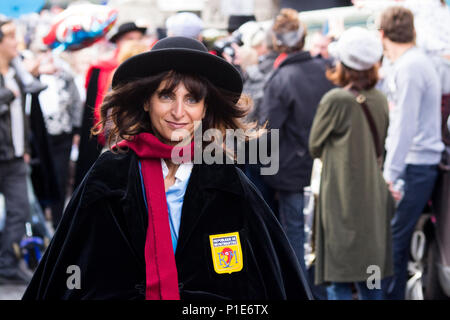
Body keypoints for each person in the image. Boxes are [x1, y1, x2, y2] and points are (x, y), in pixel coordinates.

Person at [22, 36, 311, 300]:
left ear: (205, 108)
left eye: (192, 99)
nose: (178, 112)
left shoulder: (225, 178)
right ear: (146, 101)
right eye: (166, 96)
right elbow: (67, 269)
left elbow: (273, 274)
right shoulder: (111, 174)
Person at [309, 27, 395, 300]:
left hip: (341, 199)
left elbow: (314, 145)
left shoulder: (335, 100)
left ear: (343, 64)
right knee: (371, 278)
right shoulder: (379, 99)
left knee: (339, 278)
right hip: (372, 198)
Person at [258, 8, 334, 299]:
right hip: (323, 167)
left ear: (278, 42)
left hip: (291, 171)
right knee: (320, 237)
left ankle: (305, 294)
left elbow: (268, 130)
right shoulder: (325, 69)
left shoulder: (281, 78)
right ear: (302, 38)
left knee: (297, 237)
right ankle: (320, 292)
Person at [378, 6, 445, 300]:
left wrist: (390, 175)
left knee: (393, 241)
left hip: (414, 165)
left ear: (382, 34)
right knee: (394, 239)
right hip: (415, 163)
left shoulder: (410, 67)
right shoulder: (411, 64)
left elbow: (404, 126)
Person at [74, 21, 147, 189]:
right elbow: (96, 110)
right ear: (119, 41)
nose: (135, 41)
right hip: (113, 142)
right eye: (130, 38)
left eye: (138, 38)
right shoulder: (102, 68)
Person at [0, 19, 33, 284]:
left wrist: (25, 148)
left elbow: (22, 117)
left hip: (14, 157)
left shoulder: (17, 73)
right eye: (12, 38)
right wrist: (6, 95)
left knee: (20, 211)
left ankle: (8, 264)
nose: (17, 44)